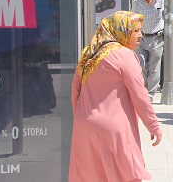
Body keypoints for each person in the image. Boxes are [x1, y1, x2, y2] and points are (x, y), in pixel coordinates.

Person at [69, 11, 162, 182]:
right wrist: (153, 125)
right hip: (113, 129)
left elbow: (75, 90)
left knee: (90, 175)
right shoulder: (124, 56)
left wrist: (82, 115)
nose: (140, 35)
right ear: (121, 31)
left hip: (84, 127)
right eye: (135, 30)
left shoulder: (89, 53)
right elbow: (140, 96)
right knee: (122, 175)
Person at [132, 0, 164, 102]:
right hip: (142, 38)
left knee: (154, 68)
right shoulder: (137, 3)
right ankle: (144, 89)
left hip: (156, 38)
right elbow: (133, 21)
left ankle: (150, 95)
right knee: (141, 64)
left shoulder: (161, 0)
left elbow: (169, 17)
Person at [156, 0, 173, 90]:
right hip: (166, 34)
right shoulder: (171, 4)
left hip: (157, 34)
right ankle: (164, 82)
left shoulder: (155, 0)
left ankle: (160, 81)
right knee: (165, 57)